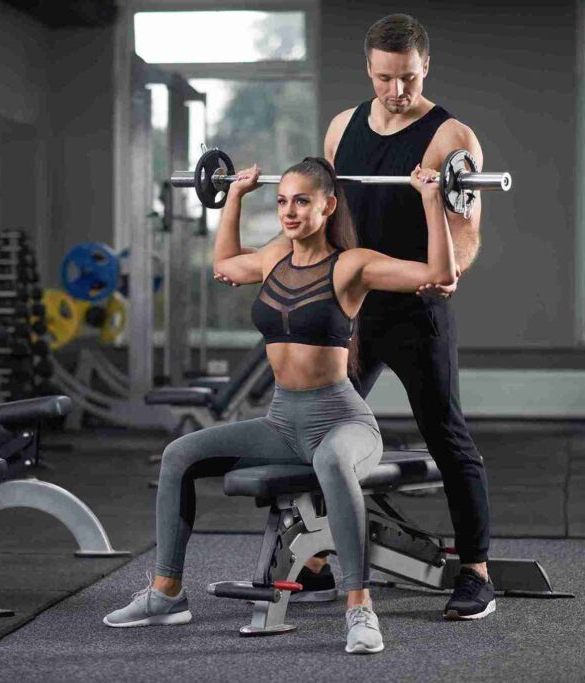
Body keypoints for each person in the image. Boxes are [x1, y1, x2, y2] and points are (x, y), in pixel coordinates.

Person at [103, 156, 455, 655]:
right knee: (179, 454)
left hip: (342, 422)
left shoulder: (351, 265)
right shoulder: (273, 258)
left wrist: (431, 198)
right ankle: (166, 594)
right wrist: (235, 198)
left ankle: (360, 609)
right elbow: (224, 264)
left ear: (328, 205)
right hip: (282, 422)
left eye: (302, 201)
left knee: (332, 460)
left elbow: (440, 272)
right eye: (282, 201)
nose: (289, 212)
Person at [299, 13, 495, 621]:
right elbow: (333, 219)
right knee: (315, 426)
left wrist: (446, 274)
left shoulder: (450, 138)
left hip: (417, 305)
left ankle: (476, 573)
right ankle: (315, 557)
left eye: (407, 78)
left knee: (445, 434)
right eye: (385, 78)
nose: (396, 91)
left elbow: (466, 235)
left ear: (425, 66)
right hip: (354, 306)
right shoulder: (341, 129)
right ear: (370, 69)